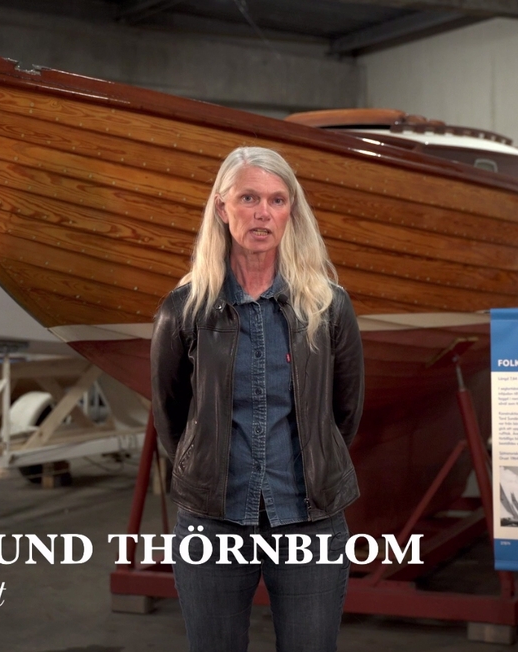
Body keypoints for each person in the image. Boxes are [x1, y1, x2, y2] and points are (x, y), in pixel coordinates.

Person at [150, 146, 365, 652]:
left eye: (276, 200)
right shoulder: (183, 310)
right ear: (222, 208)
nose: (262, 212)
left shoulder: (329, 307)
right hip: (212, 522)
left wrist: (313, 468)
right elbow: (169, 414)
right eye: (248, 198)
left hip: (310, 521)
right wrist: (206, 475)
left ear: (291, 211)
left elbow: (345, 413)